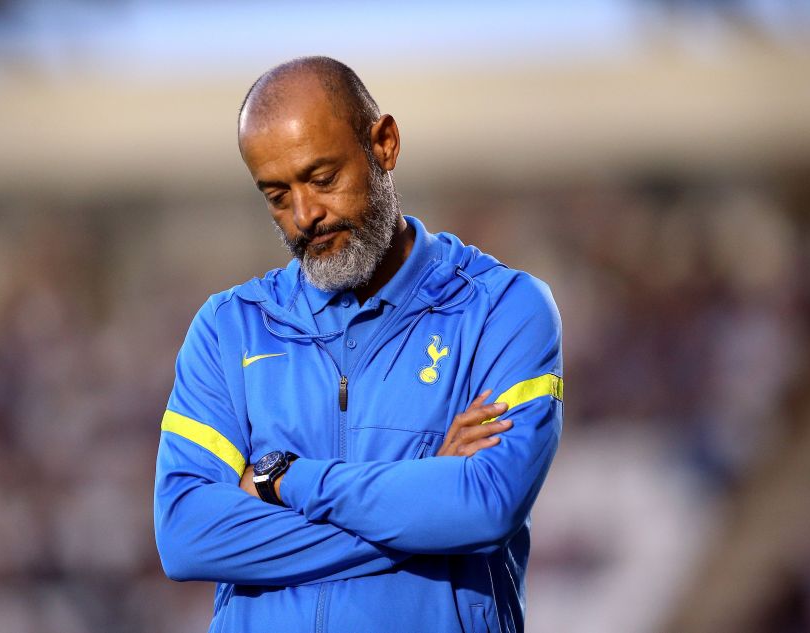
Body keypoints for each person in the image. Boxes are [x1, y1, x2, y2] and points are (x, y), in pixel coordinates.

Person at [154, 56, 563, 633]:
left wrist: (283, 478)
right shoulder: (228, 328)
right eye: (276, 195)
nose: (305, 216)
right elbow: (187, 536)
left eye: (322, 179)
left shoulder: (503, 308)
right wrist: (421, 501)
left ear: (385, 144)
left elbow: (483, 505)